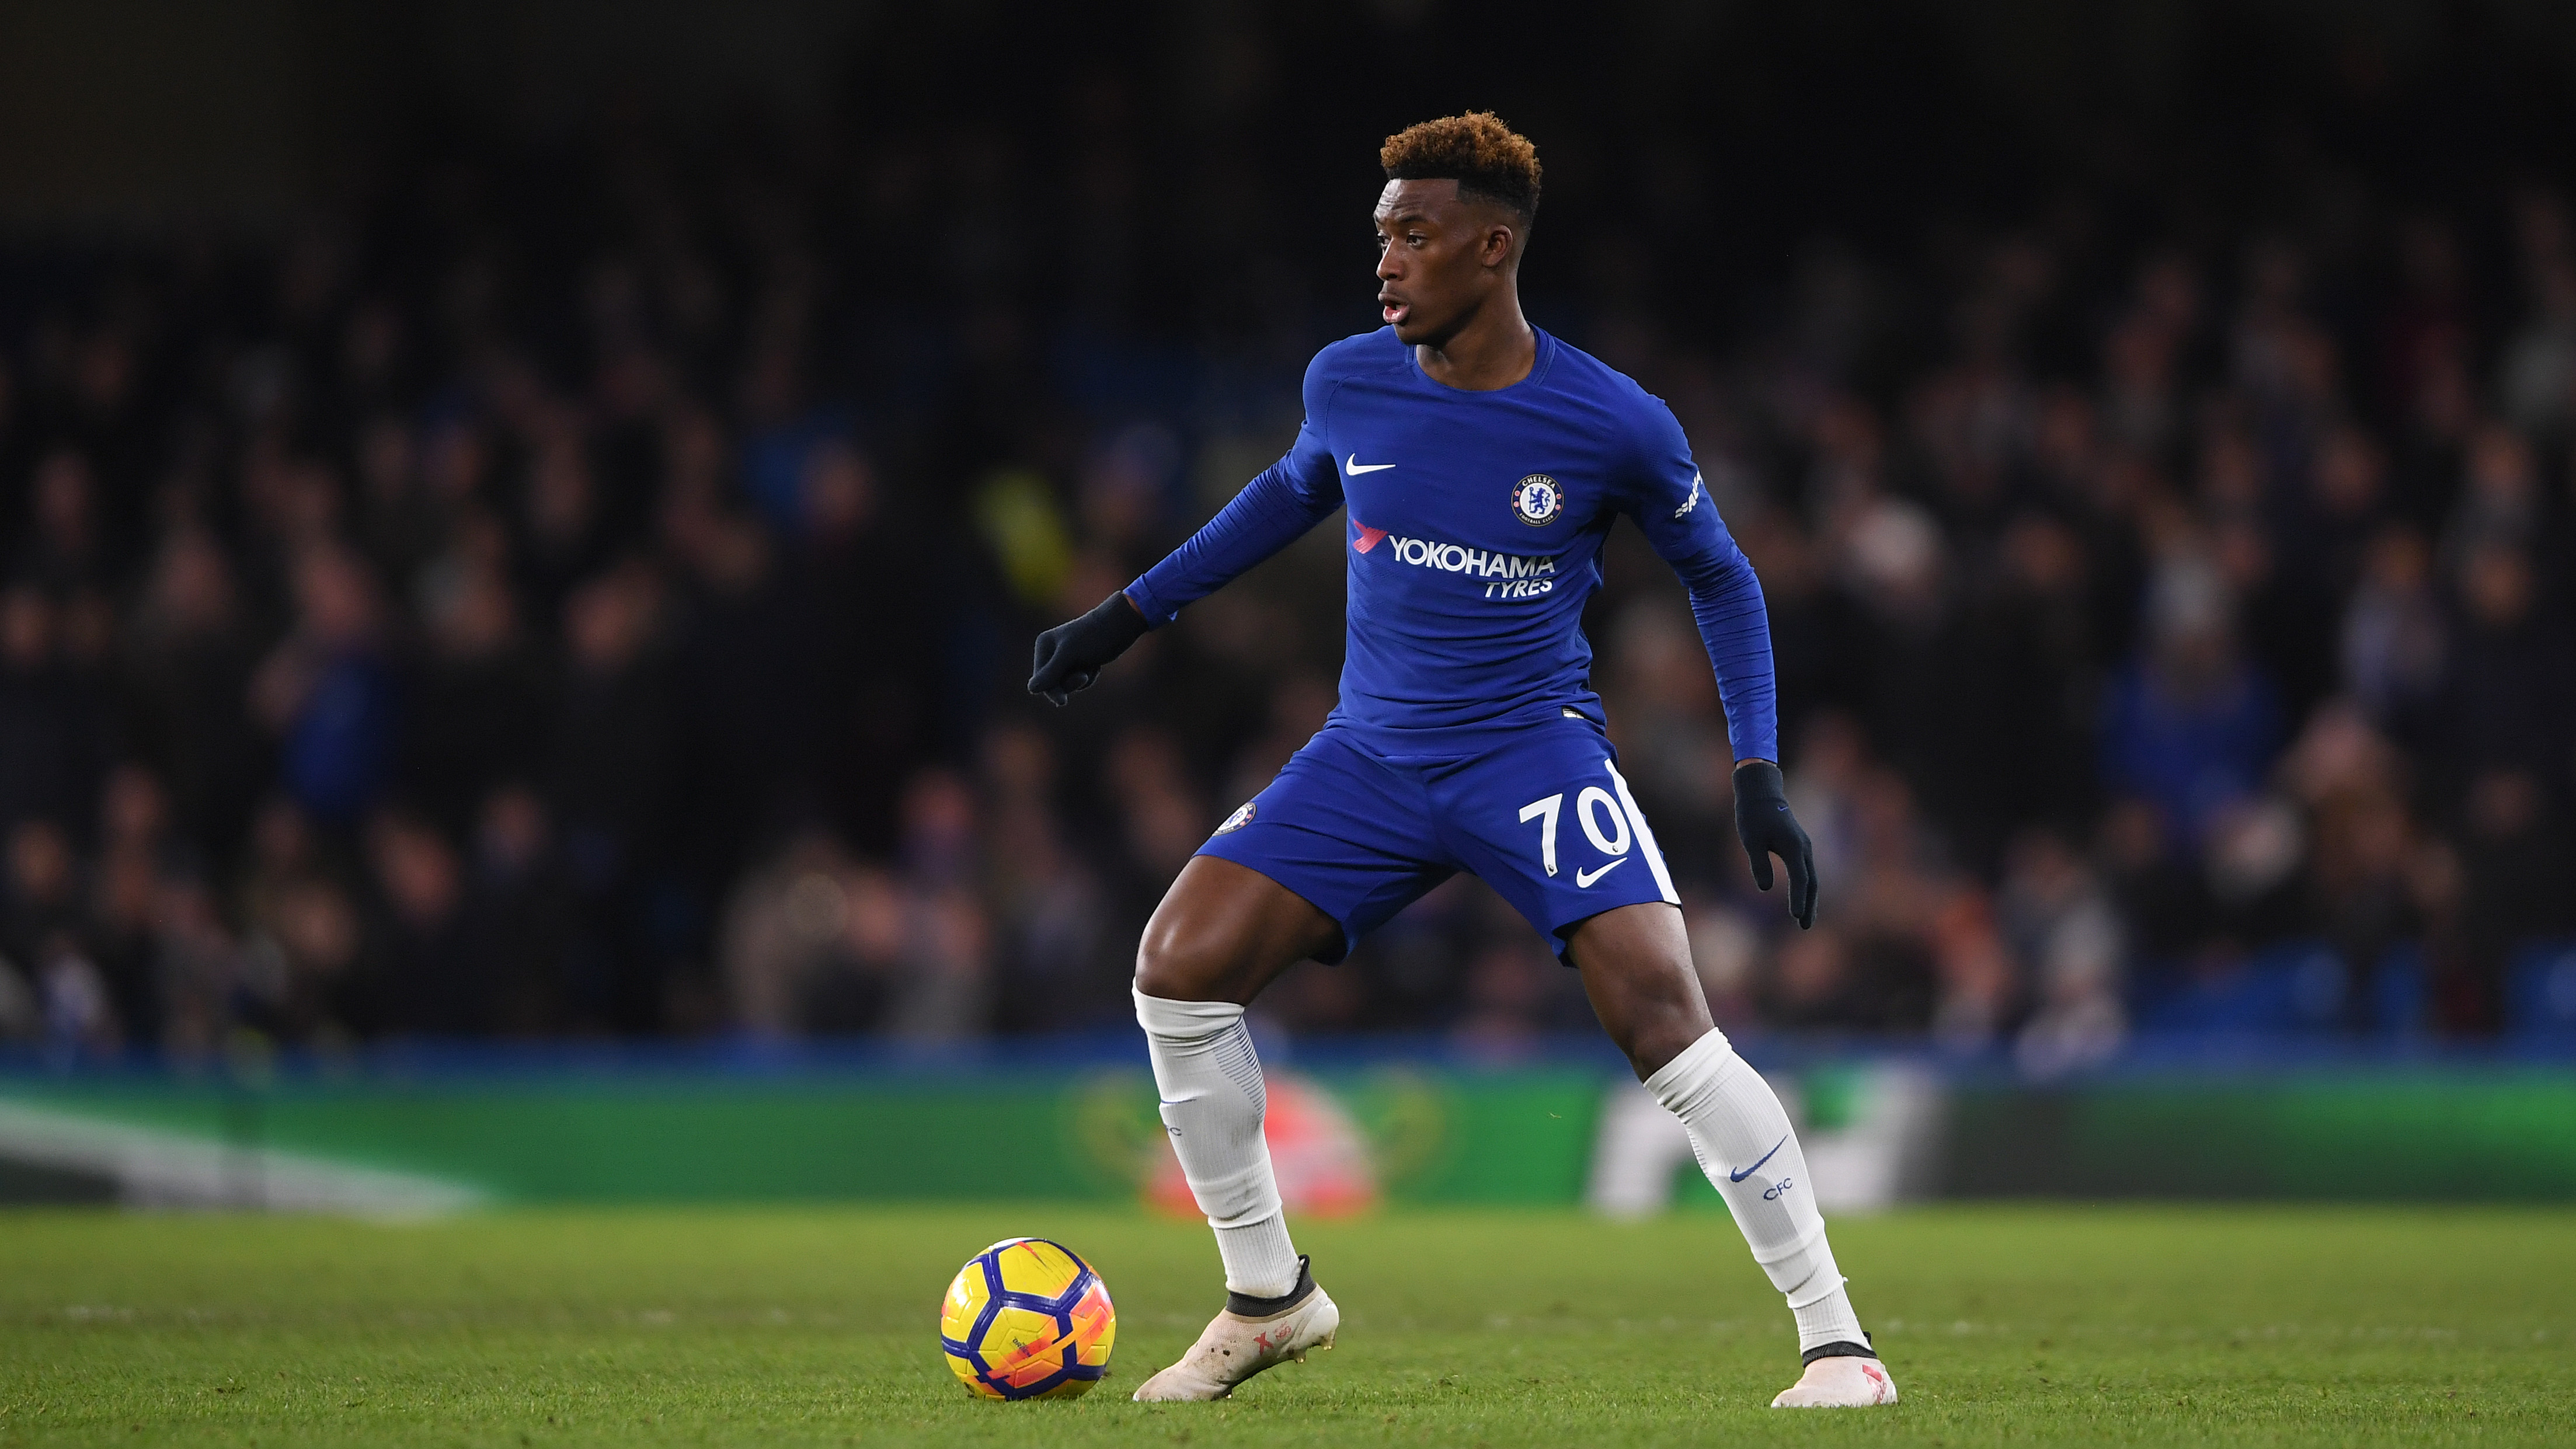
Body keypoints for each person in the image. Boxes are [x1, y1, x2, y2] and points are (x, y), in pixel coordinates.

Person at [1028, 114, 1893, 1409]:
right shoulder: (1350, 379)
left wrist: (1755, 769)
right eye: (1379, 234)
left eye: (1413, 236)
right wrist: (1125, 616)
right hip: (1368, 755)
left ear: (1492, 250)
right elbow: (1282, 495)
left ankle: (1838, 1343)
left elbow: (1722, 574)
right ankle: (1268, 1296)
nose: (1385, 262)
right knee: (1177, 966)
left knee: (1665, 1015)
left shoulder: (1613, 419)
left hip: (1526, 754)